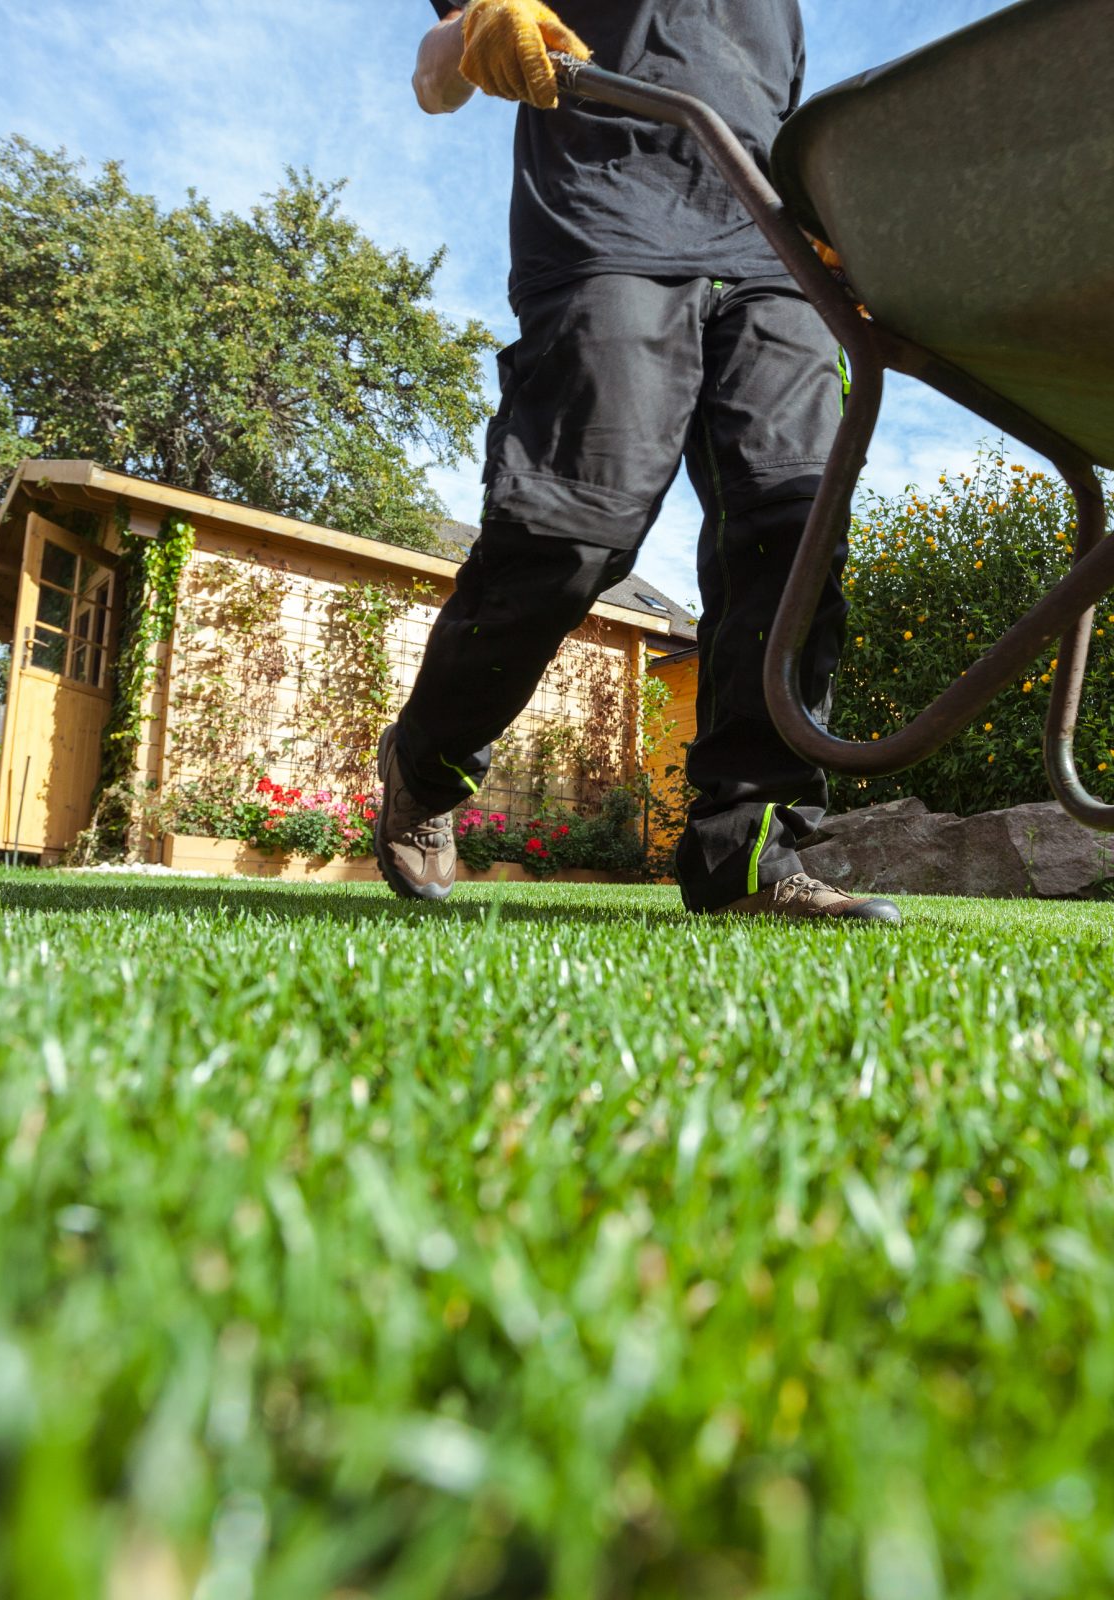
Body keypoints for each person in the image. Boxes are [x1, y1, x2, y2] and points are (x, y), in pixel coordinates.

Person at [375, 0, 899, 922]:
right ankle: (427, 760)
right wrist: (475, 32)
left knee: (795, 532)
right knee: (571, 528)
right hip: (608, 223)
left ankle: (750, 856)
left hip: (777, 255)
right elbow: (431, 75)